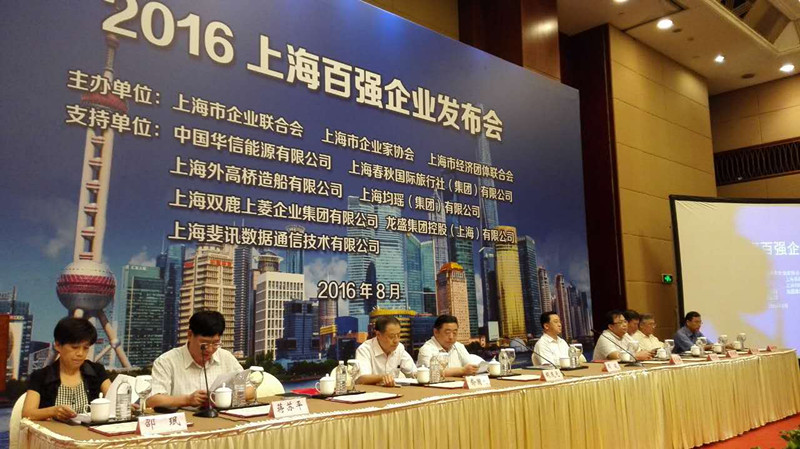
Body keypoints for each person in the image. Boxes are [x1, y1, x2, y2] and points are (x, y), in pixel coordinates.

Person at [148, 310, 252, 409]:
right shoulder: (166, 361)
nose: (210, 349)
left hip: (221, 418)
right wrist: (187, 400)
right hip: (184, 419)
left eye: (215, 343)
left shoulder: (226, 358)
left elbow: (250, 390)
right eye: (204, 343)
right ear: (189, 335)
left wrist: (223, 397)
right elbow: (153, 400)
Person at [23, 317, 111, 421]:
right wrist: (53, 411)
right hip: (53, 431)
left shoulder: (96, 370)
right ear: (57, 345)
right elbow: (27, 414)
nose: (80, 353)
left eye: (85, 348)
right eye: (74, 347)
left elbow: (114, 400)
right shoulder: (41, 376)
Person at [355, 316, 416, 386]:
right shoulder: (365, 349)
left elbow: (413, 372)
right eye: (391, 336)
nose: (396, 341)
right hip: (371, 392)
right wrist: (382, 378)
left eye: (399, 335)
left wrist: (420, 374)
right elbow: (361, 379)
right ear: (378, 334)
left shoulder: (399, 348)